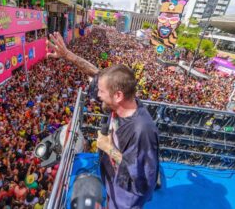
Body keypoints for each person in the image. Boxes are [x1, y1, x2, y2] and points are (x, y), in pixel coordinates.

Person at [47, 32, 160, 209]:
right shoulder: (119, 102)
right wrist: (68, 55)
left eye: (101, 92)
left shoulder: (141, 130)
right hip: (112, 179)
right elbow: (96, 74)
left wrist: (109, 148)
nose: (96, 94)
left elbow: (142, 179)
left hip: (127, 196)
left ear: (118, 95)